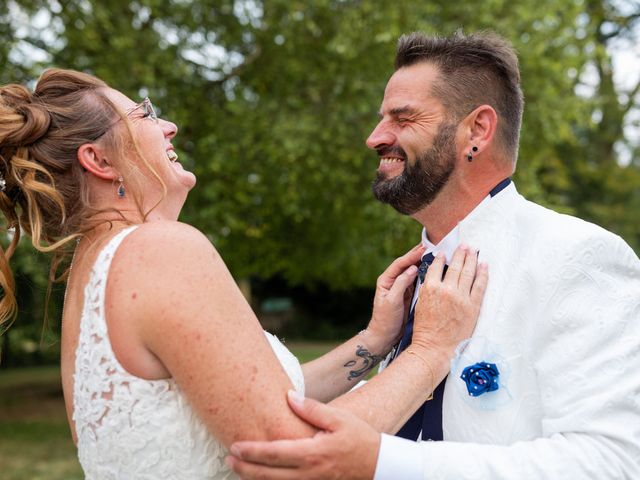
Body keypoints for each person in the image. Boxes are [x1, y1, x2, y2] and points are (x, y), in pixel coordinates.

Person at [0, 69, 488, 478]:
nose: (168, 126)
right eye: (144, 113)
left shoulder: (94, 268)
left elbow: (254, 400)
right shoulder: (157, 249)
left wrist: (376, 341)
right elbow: (296, 451)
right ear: (99, 161)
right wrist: (431, 349)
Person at [227, 31, 640, 479]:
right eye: (382, 119)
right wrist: (377, 343)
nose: (374, 137)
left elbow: (612, 461)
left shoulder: (577, 257)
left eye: (403, 119)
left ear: (477, 130)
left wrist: (383, 461)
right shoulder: (415, 275)